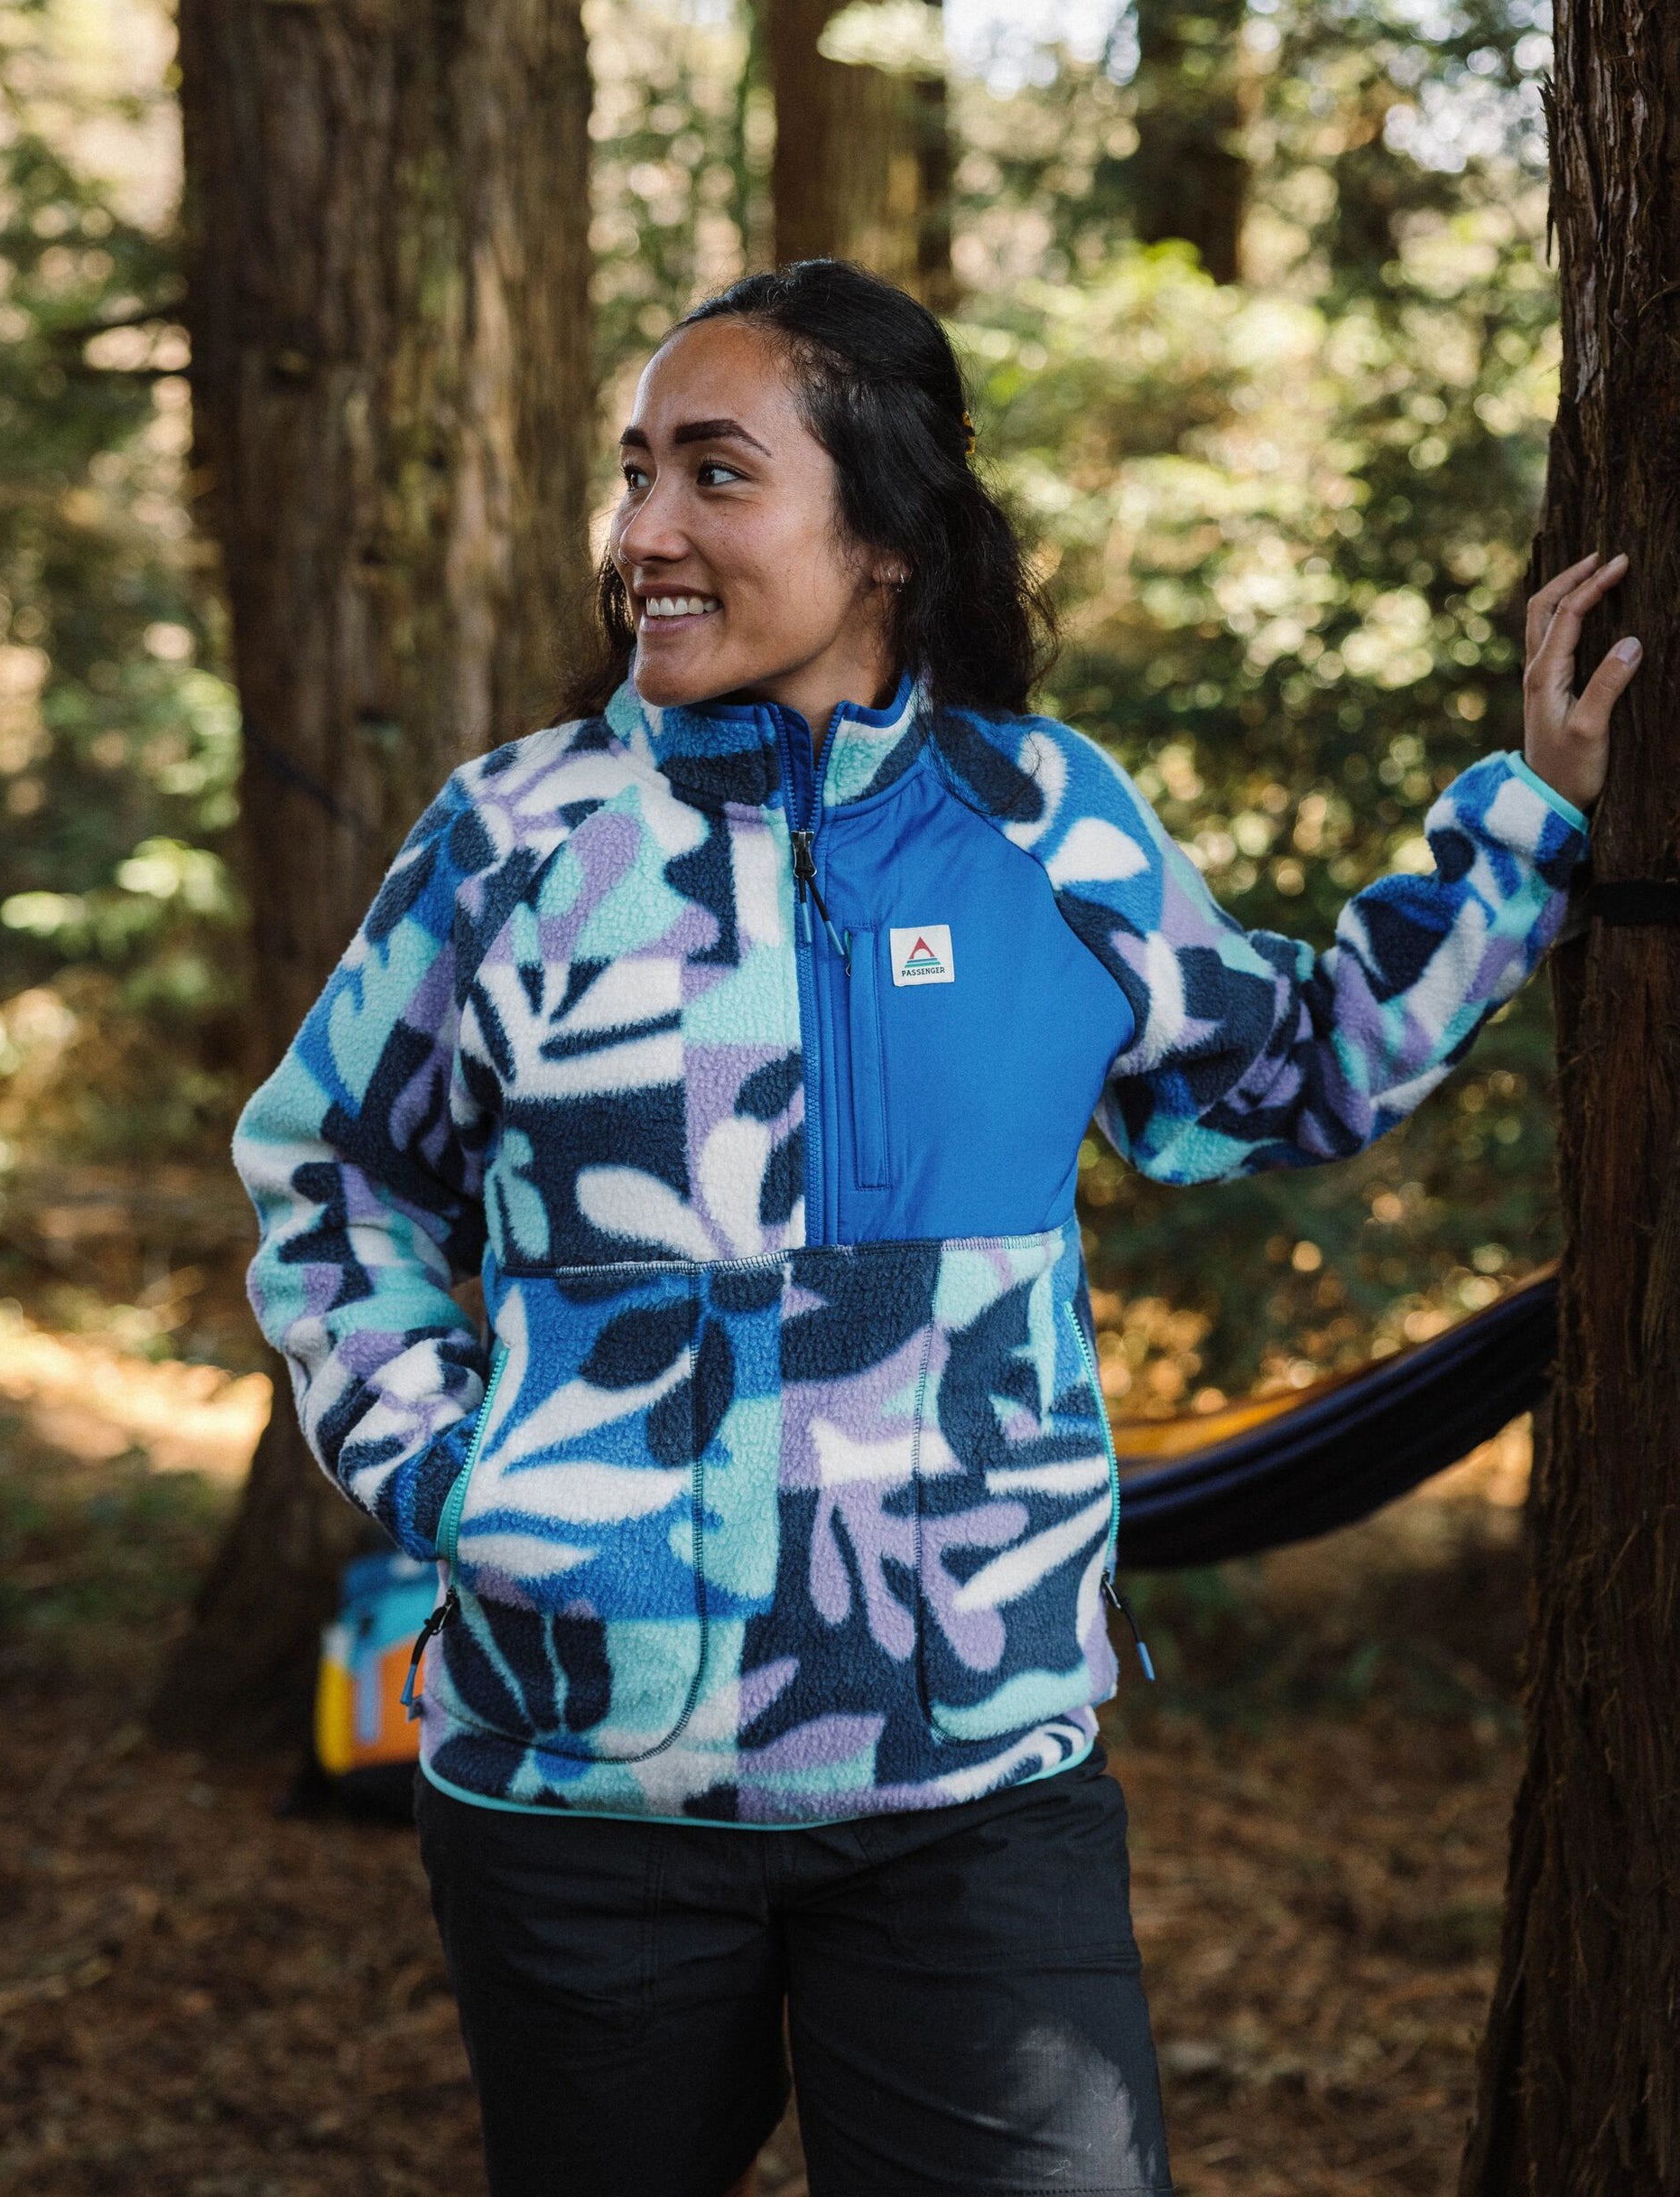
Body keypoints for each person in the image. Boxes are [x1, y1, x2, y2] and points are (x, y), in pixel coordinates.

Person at [233, 258, 1638, 2197]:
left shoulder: (1043, 821)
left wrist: (1529, 820)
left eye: (715, 473)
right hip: (578, 1791)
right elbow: (330, 1170)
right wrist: (452, 1477)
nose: (643, 530)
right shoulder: (512, 839)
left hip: (969, 1786)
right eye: (635, 473)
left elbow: (1292, 1069)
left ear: (886, 531)